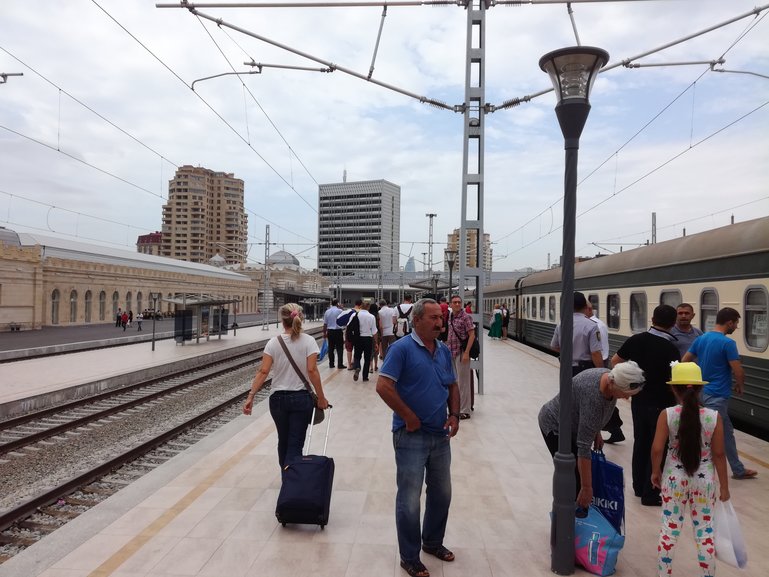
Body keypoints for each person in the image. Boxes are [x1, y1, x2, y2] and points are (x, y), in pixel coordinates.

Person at [376, 299, 460, 577]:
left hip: (440, 435)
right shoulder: (400, 349)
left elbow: (452, 384)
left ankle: (432, 542)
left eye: (442, 318)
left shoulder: (444, 350)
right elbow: (383, 386)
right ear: (418, 320)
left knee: (441, 493)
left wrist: (455, 414)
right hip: (410, 435)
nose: (440, 323)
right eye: (435, 318)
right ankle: (409, 556)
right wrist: (408, 416)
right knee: (410, 498)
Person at [651, 362, 729, 577]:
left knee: (670, 530)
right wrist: (724, 487)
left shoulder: (666, 415)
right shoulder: (714, 417)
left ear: (673, 389)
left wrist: (655, 472)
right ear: (700, 388)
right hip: (704, 482)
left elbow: (658, 449)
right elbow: (720, 455)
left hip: (674, 480)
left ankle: (664, 574)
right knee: (705, 533)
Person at [538, 361, 645, 507]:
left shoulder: (608, 377)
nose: (625, 398)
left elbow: (591, 417)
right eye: (624, 394)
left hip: (573, 423)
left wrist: (596, 432)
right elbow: (583, 446)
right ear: (612, 384)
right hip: (555, 424)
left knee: (578, 474)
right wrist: (587, 488)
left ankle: (576, 516)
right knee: (571, 475)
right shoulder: (594, 397)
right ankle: (565, 519)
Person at [243, 303, 330, 468]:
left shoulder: (273, 343)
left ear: (282, 321)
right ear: (301, 318)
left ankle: (286, 478)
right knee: (295, 442)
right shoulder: (309, 341)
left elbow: (263, 371)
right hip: (301, 398)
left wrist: (251, 396)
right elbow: (312, 370)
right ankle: (292, 482)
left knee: (283, 440)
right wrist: (321, 397)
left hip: (277, 400)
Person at [611, 304, 681, 506]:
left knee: (641, 441)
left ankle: (638, 486)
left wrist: (628, 385)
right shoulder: (671, 348)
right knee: (658, 445)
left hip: (639, 400)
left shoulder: (636, 339)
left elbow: (615, 362)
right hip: (662, 404)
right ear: (673, 323)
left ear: (652, 319)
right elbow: (673, 380)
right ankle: (651, 493)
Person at [683, 307, 757, 480]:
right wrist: (740, 385)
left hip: (700, 392)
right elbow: (738, 370)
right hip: (717, 395)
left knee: (724, 432)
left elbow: (684, 361)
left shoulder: (701, 339)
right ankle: (697, 469)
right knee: (714, 434)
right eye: (736, 323)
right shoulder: (727, 343)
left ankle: (738, 469)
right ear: (729, 322)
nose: (736, 327)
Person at [588, 303, 624, 444]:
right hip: (598, 364)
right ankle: (615, 430)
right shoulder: (595, 324)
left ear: (589, 309)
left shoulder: (596, 325)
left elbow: (599, 350)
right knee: (601, 400)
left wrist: (600, 369)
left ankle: (615, 429)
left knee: (601, 401)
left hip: (598, 364)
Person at [550, 292, 603, 375]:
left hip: (566, 368)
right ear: (586, 307)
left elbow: (554, 346)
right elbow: (595, 353)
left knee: (567, 388)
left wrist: (569, 352)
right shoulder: (592, 326)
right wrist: (601, 372)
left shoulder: (561, 324)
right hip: (585, 370)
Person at [447, 294, 475, 420]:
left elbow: (472, 335)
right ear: (450, 304)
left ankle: (465, 410)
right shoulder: (450, 316)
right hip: (451, 352)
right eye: (455, 302)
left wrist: (467, 352)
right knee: (455, 382)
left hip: (462, 352)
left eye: (459, 302)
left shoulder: (466, 317)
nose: (457, 304)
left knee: (463, 383)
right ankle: (456, 408)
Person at [351, 299, 377, 382]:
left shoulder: (355, 315)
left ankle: (357, 366)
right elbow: (374, 331)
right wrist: (375, 342)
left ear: (361, 306)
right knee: (367, 358)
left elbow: (350, 327)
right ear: (368, 307)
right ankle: (365, 377)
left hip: (358, 338)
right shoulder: (371, 317)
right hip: (368, 339)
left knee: (357, 355)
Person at [322, 299, 346, 369]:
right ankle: (340, 364)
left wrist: (324, 333)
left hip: (330, 332)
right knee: (340, 348)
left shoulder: (327, 312)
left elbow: (325, 324)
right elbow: (344, 322)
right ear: (337, 304)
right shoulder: (340, 311)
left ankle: (331, 364)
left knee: (331, 348)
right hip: (338, 332)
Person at [369, 301, 381, 372]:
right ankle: (376, 366)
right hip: (377, 333)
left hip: (369, 334)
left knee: (370, 351)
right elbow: (379, 326)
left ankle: (371, 367)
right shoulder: (377, 315)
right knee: (376, 350)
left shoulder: (369, 315)